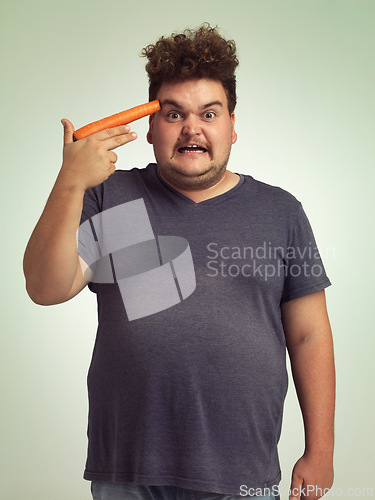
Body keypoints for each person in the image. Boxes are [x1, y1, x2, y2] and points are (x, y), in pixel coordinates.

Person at [23, 24, 335, 500]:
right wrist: (70, 182)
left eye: (209, 113)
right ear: (150, 128)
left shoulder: (280, 212)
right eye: (174, 114)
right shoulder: (112, 196)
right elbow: (45, 288)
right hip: (127, 469)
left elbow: (310, 334)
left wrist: (322, 450)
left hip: (241, 469)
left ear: (233, 125)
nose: (192, 127)